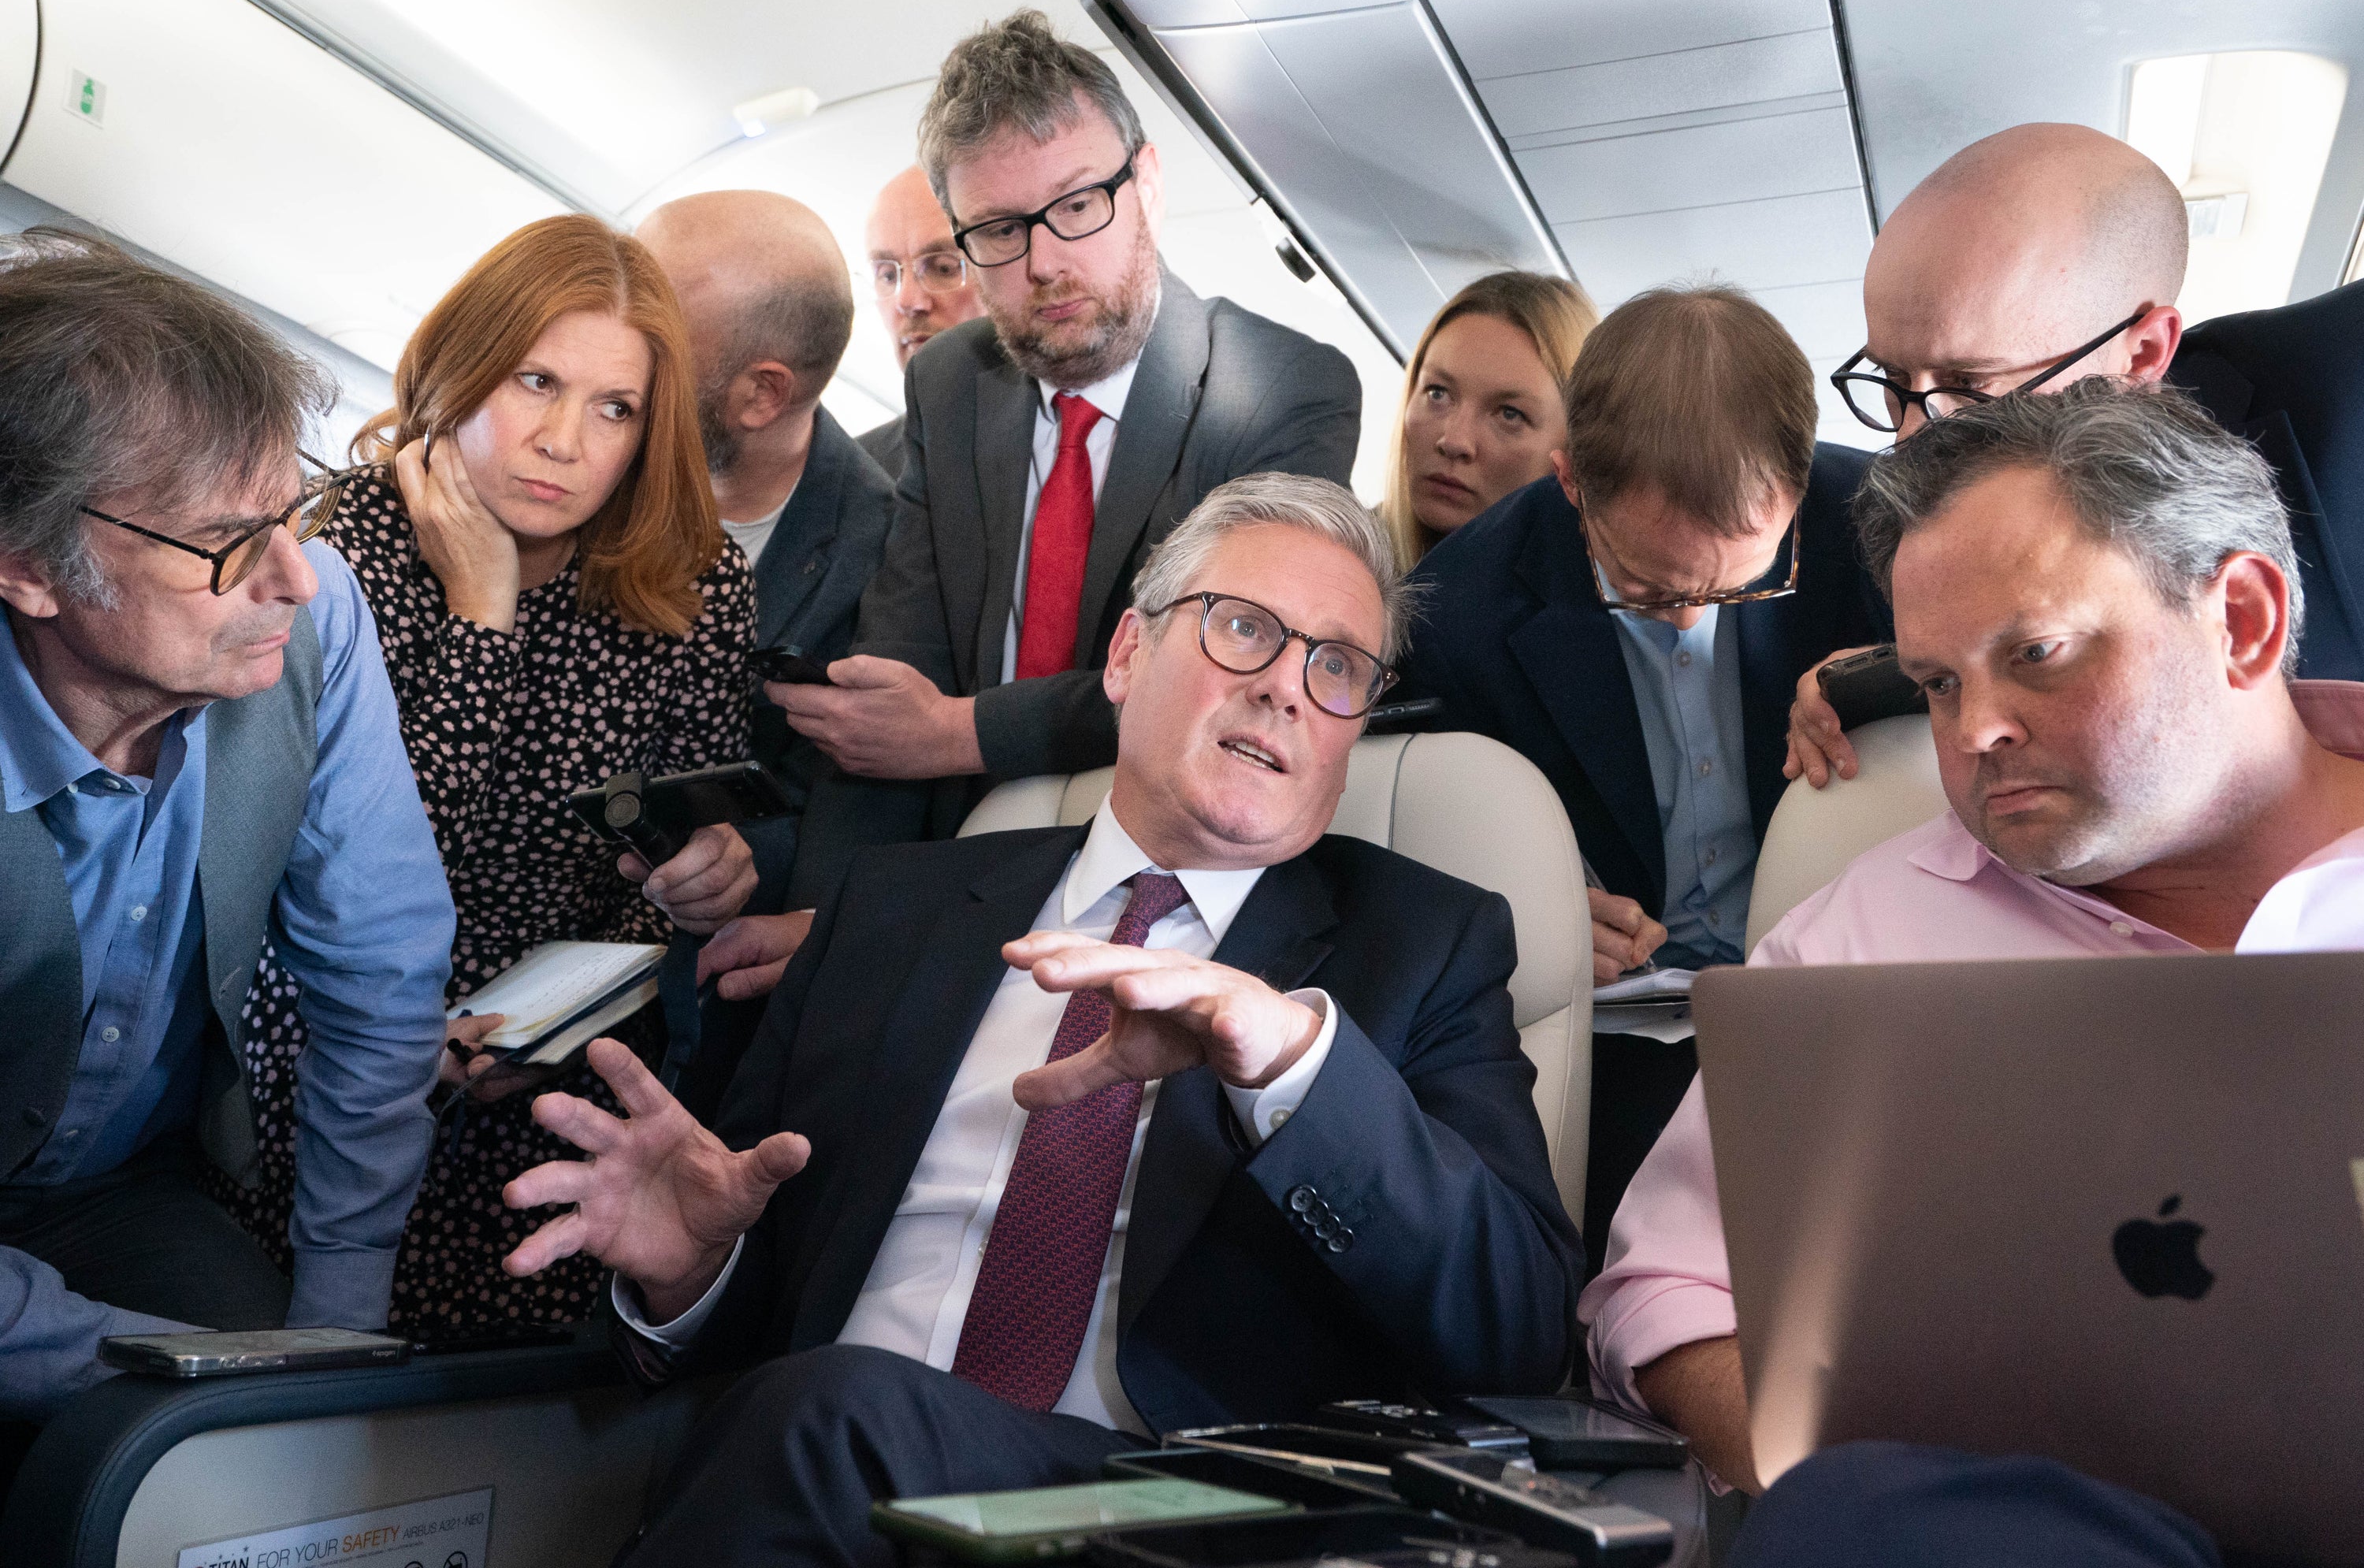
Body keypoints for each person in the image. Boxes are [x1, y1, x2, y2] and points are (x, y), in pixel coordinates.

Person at [501, 474, 1581, 1566]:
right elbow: (768, 1312)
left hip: (1179, 1512)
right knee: (818, 1417)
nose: (1286, 690)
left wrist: (1294, 1068)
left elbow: (1518, 1332)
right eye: (1244, 630)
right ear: (1125, 655)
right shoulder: (894, 908)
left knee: (832, 1416)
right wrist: (693, 1275)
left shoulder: (1422, 946)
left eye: (1338, 665)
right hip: (834, 1486)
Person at [1581, 383, 2364, 1542]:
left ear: (2240, 620)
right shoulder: (1852, 951)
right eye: (1939, 683)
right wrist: (1904, 1490)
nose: (1974, 731)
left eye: (2037, 654)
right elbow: (1661, 1299)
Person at [219, 214, 760, 1333]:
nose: (566, 440)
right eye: (535, 383)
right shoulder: (342, 551)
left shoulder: (695, 580)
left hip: (569, 1059)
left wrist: (711, 872)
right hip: (339, 1047)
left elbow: (663, 864)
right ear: (463, 370)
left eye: (614, 408)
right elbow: (370, 871)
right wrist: (483, 615)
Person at [0, 231, 452, 1421]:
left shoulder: (314, 620)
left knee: (289, 1448)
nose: (294, 578)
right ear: (28, 566)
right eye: (221, 542)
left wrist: (332, 1328)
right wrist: (154, 1373)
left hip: (115, 1187)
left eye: (290, 512)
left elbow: (381, 967)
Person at [776, 10, 1362, 912]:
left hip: (1156, 871)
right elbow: (890, 699)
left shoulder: (1283, 391)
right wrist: (827, 926)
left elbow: (1218, 684)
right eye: (999, 231)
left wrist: (958, 732)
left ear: (1149, 186)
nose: (1045, 261)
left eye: (1079, 205)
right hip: (950, 866)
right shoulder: (950, 382)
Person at [1393, 285, 1887, 1248]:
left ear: (1802, 482)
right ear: (1571, 481)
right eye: (1651, 589)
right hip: (1616, 1034)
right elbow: (1417, 861)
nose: (1695, 618)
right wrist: (1522, 905)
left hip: (1849, 985)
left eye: (1744, 581)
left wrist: (1897, 671)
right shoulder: (1452, 616)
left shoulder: (1890, 524)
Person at [1788, 120, 2364, 789]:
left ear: (2142, 352)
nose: (1911, 442)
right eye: (1892, 381)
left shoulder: (2346, 389)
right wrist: (1876, 682)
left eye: (1972, 386)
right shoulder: (1912, 533)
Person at [636, 191, 898, 898]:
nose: (614, 343)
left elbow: (837, 804)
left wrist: (742, 860)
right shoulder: (576, 468)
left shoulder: (885, 567)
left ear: (761, 395)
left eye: (654, 336)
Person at [1379, 269, 1596, 567]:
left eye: (1510, 414)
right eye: (1437, 393)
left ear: (1573, 450)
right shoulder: (1331, 558)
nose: (1454, 441)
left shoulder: (1585, 610)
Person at [856, 164, 990, 478]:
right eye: (887, 275)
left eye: (943, 269)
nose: (907, 302)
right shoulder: (856, 476)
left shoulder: (1070, 444)